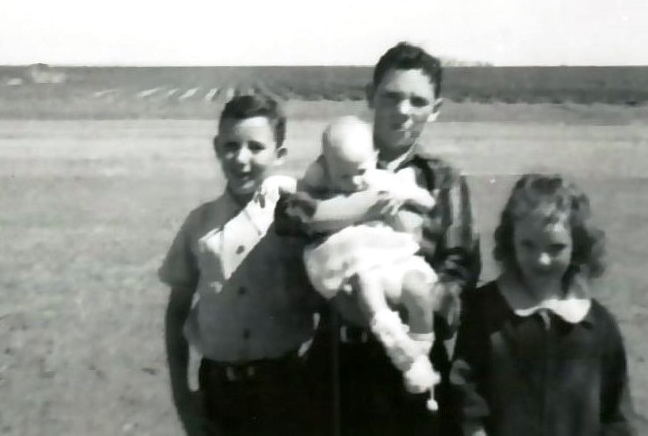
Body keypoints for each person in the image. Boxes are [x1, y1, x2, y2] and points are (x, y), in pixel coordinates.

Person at [275, 42, 481, 435]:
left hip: (412, 361)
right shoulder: (331, 164)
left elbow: (460, 273)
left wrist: (415, 303)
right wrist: (363, 208)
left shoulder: (443, 181)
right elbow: (289, 224)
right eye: (391, 96)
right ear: (371, 96)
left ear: (435, 109)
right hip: (337, 360)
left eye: (418, 101)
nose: (403, 110)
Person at [159, 94, 319, 436]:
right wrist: (183, 397)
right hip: (218, 392)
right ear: (217, 148)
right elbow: (176, 313)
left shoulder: (299, 215)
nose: (241, 158)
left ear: (279, 154)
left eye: (256, 147)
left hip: (286, 389)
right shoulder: (200, 223)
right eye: (231, 146)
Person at [450, 174, 636, 436]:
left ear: (577, 244)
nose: (542, 259)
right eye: (528, 245)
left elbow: (616, 416)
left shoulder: (597, 325)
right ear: (510, 241)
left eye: (556, 247)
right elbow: (464, 397)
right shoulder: (485, 311)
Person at [284, 115, 441, 406]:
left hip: (389, 254)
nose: (355, 182)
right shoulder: (321, 190)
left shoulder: (382, 180)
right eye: (343, 176)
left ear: (374, 158)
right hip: (351, 259)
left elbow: (425, 202)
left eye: (361, 172)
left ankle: (421, 350)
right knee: (367, 288)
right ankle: (397, 345)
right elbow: (303, 209)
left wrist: (402, 195)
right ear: (325, 167)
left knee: (417, 288)